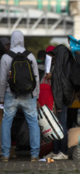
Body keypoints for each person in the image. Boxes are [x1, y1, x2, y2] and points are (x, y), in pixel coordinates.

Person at [0, 30, 40, 162]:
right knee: (33, 123)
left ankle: (5, 154)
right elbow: (36, 78)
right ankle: (34, 155)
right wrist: (36, 94)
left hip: (11, 94)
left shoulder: (6, 57)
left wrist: (1, 98)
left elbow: (2, 80)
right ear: (23, 40)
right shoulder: (31, 56)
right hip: (29, 95)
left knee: (6, 123)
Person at [44, 44, 74, 160]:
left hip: (61, 99)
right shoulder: (60, 65)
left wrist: (53, 76)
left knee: (61, 125)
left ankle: (63, 151)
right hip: (57, 99)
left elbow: (63, 83)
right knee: (56, 125)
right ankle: (55, 150)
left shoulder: (65, 66)